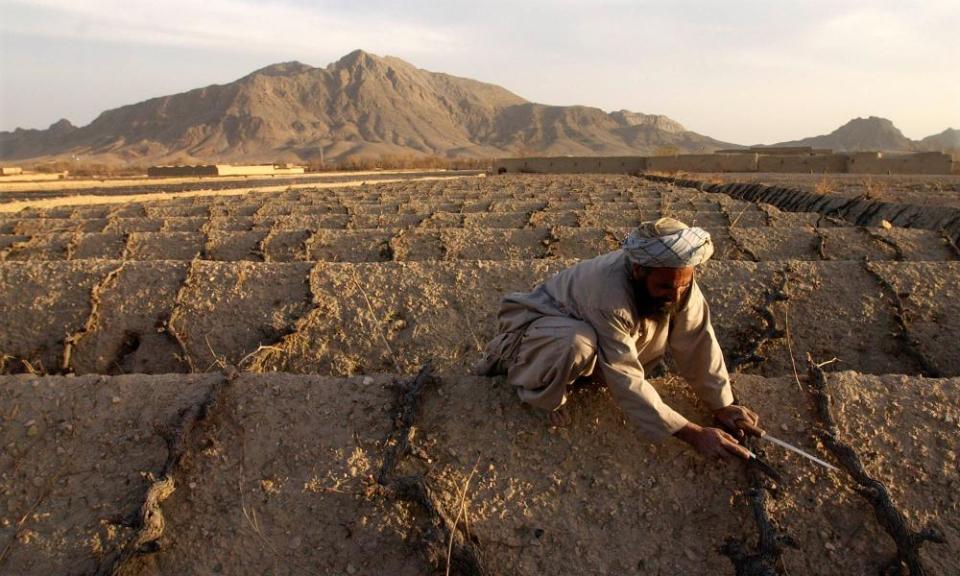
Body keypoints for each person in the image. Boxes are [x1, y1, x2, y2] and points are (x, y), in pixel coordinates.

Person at [477, 217, 764, 462]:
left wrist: (722, 405)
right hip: (533, 337)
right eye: (664, 286)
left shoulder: (677, 279)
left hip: (594, 336)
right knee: (577, 343)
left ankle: (583, 375)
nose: (675, 294)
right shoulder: (608, 294)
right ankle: (539, 394)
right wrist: (692, 433)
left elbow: (698, 341)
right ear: (639, 271)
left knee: (642, 326)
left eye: (683, 284)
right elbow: (625, 374)